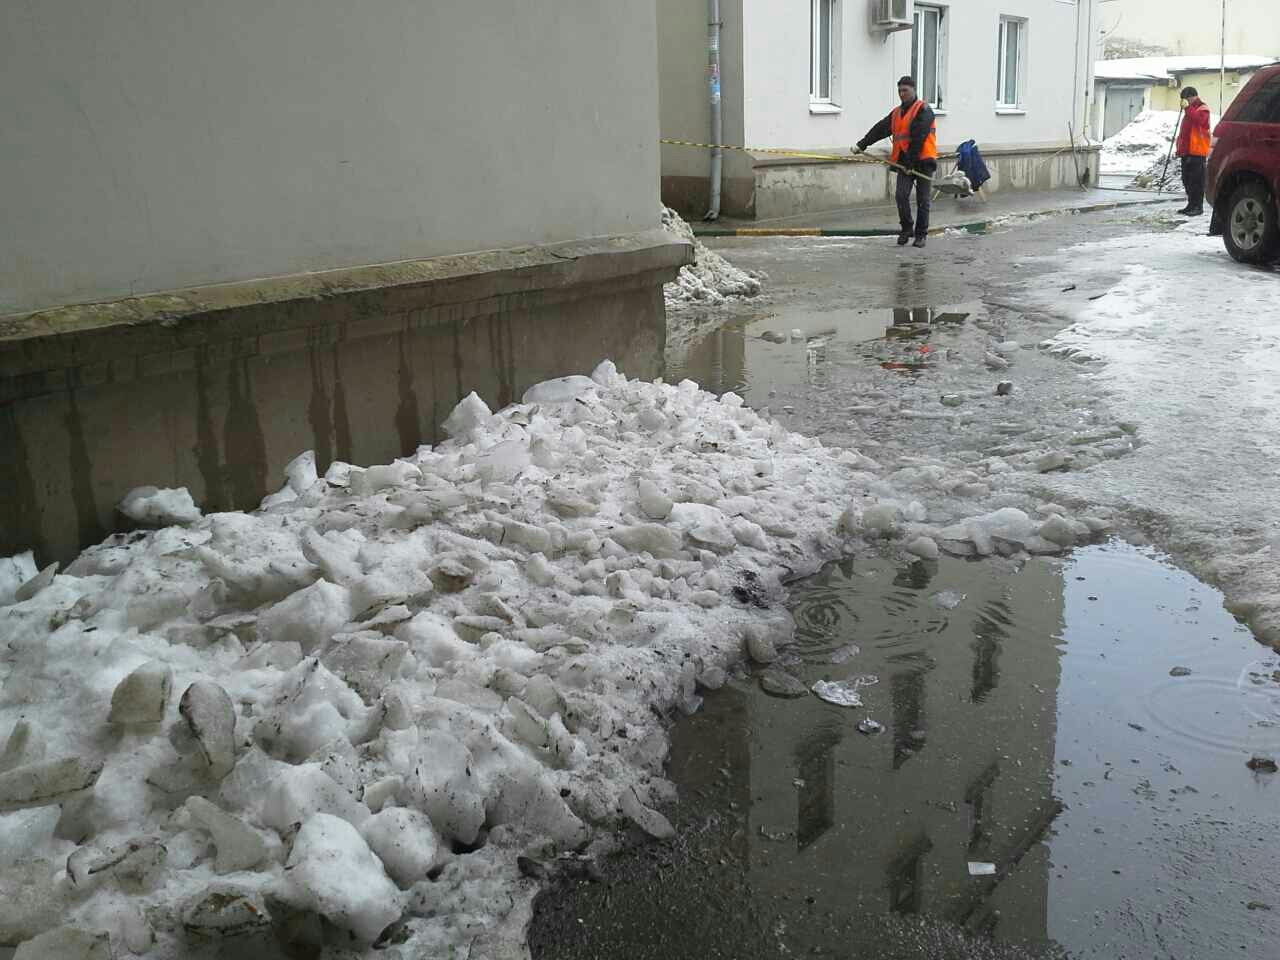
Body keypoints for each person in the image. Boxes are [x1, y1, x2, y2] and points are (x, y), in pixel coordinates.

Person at [854, 76, 938, 248]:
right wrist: (862, 144)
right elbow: (880, 129)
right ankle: (907, 228)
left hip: (923, 161)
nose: (901, 94)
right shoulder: (896, 113)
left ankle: (921, 235)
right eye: (899, 91)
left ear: (914, 90)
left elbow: (919, 137)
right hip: (903, 162)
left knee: (923, 200)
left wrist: (910, 162)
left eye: (905, 90)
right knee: (901, 196)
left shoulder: (924, 110)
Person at [1175, 86, 1211, 216]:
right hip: (1187, 151)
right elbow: (1185, 132)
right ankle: (1191, 204)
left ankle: (1198, 206)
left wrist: (1187, 108)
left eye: (1187, 99)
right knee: (1187, 179)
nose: (1186, 102)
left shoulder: (1202, 108)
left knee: (1197, 181)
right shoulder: (1189, 111)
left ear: (1192, 97)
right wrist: (1179, 148)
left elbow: (1200, 121)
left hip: (1198, 151)